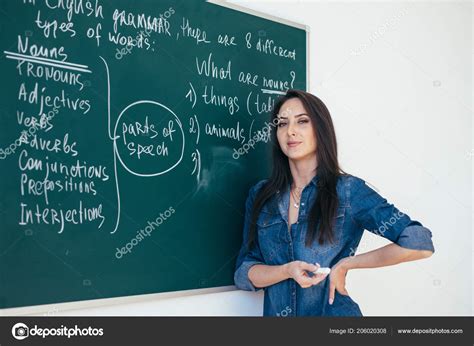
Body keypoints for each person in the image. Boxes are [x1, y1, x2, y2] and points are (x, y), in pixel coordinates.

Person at [234, 89, 435, 316]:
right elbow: (244, 273)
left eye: (302, 122)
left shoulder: (347, 191)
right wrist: (287, 270)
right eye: (282, 124)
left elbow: (419, 243)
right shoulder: (261, 195)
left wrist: (347, 264)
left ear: (320, 130)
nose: (290, 131)